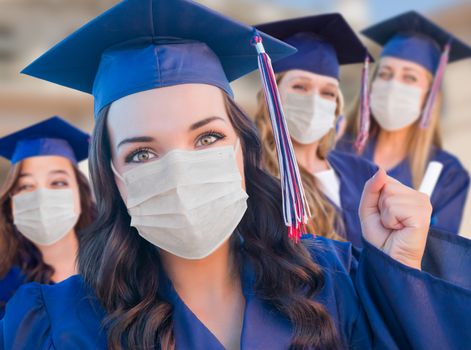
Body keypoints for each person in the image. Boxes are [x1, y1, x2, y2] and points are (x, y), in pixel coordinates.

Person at [2, 1, 471, 349]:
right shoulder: (57, 325)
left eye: (206, 138)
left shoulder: (335, 280)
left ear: (245, 152)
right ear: (114, 180)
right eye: (142, 153)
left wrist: (399, 276)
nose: (180, 170)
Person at [338, 11, 471, 234]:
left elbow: (435, 259)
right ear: (371, 84)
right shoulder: (337, 148)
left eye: (409, 77)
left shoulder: (448, 174)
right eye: (385, 74)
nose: (392, 86)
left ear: (430, 96)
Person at [254, 14, 378, 246]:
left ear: (336, 106)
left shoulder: (364, 172)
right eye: (300, 86)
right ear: (271, 95)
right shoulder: (252, 176)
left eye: (328, 93)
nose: (314, 100)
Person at [0, 116, 95, 318]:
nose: (41, 197)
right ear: (12, 204)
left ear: (80, 194)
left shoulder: (119, 268)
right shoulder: (6, 288)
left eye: (58, 183)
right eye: (26, 186)